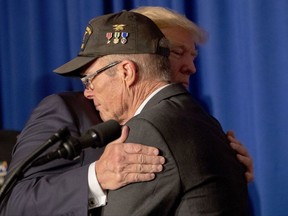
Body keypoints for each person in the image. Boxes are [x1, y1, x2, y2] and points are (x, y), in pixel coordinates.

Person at [54, 11, 249, 215]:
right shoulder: (202, 119)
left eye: (90, 79)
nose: (87, 92)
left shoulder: (148, 130)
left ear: (126, 73)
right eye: (178, 52)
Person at [131, 6, 253, 183]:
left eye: (192, 57)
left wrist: (230, 175)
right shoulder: (88, 120)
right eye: (177, 53)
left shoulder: (197, 126)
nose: (191, 68)